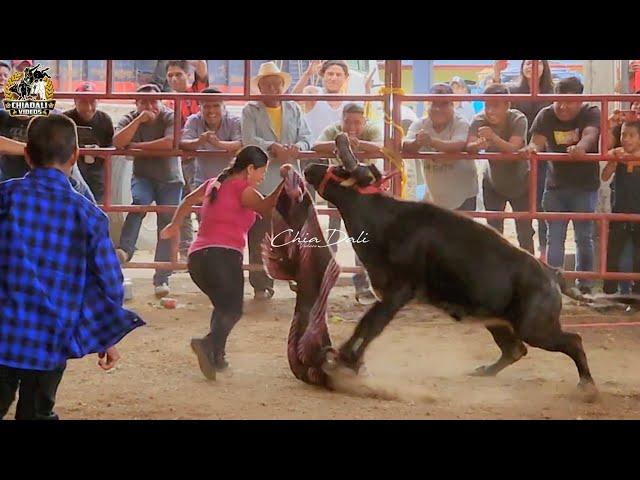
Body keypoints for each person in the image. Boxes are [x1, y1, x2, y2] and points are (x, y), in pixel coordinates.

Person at [0, 114, 144, 420]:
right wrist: (105, 336)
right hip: (50, 339)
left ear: (26, 155)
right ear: (75, 156)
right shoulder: (88, 215)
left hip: (3, 330)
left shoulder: (5, 197)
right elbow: (109, 285)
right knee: (37, 413)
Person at [160, 146, 285, 378]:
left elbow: (188, 199)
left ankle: (217, 356)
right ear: (249, 168)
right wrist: (286, 181)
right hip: (223, 257)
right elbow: (268, 208)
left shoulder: (213, 183)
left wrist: (175, 224)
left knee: (223, 307)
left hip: (197, 260)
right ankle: (208, 345)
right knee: (233, 310)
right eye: (262, 172)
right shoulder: (243, 189)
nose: (262, 177)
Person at [241, 62, 313, 300]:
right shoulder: (250, 110)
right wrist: (272, 146)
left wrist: (297, 147)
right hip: (262, 180)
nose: (272, 88)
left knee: (294, 232)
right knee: (260, 233)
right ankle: (261, 283)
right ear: (260, 87)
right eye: (267, 84)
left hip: (290, 178)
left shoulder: (294, 108)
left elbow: (306, 137)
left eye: (276, 84)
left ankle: (295, 277)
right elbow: (248, 139)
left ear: (282, 86)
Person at [528, 77, 601, 294]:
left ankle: (585, 285)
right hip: (555, 186)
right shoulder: (546, 114)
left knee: (583, 237)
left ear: (580, 100)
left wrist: (581, 147)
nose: (562, 106)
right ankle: (554, 286)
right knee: (554, 237)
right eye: (558, 100)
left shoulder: (591, 111)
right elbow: (536, 141)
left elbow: (591, 133)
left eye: (569, 101)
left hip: (584, 187)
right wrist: (531, 149)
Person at [113, 84, 184, 298]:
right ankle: (125, 251)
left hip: (170, 179)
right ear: (136, 104)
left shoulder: (169, 116)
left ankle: (161, 278)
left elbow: (170, 142)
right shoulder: (130, 118)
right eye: (143, 101)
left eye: (153, 101)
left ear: (161, 101)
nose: (149, 106)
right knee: (138, 204)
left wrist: (137, 147)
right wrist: (138, 121)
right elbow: (118, 143)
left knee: (166, 223)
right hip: (143, 176)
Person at [313, 102, 383, 305]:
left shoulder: (372, 130)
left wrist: (356, 143)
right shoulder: (334, 130)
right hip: (337, 189)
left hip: (362, 190)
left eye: (357, 122)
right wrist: (341, 142)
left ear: (365, 122)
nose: (352, 126)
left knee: (361, 237)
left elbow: (380, 145)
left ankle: (362, 284)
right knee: (333, 234)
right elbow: (316, 145)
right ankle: (323, 281)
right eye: (348, 121)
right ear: (341, 120)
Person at [494, 60, 554, 258]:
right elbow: (497, 107)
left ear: (545, 67)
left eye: (537, 63)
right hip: (517, 156)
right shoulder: (513, 90)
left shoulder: (552, 93)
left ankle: (543, 253)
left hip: (544, 156)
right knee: (521, 208)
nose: (531, 66)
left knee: (542, 206)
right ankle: (514, 256)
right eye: (528, 62)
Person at [467, 83, 533, 254]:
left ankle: (530, 275)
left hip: (521, 183)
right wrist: (477, 145)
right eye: (487, 105)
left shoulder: (518, 119)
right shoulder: (479, 120)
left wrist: (493, 137)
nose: (490, 110)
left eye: (495, 105)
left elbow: (514, 148)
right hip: (493, 183)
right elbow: (470, 145)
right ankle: (495, 274)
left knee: (525, 232)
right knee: (494, 232)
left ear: (507, 105)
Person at [404, 83, 478, 211]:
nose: (438, 109)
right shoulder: (420, 124)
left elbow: (458, 145)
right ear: (428, 104)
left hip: (463, 195)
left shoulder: (461, 123)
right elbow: (404, 146)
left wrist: (431, 141)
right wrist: (417, 143)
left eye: (443, 104)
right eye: (434, 104)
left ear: (452, 105)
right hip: (435, 197)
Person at [601, 121, 640, 294]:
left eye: (631, 135)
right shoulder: (617, 155)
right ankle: (609, 292)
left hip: (638, 213)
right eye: (624, 135)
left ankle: (637, 292)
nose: (626, 139)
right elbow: (604, 177)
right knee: (613, 254)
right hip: (619, 212)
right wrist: (613, 161)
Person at [63, 81, 114, 203]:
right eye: (83, 102)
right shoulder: (65, 119)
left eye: (92, 102)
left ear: (98, 102)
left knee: (97, 206)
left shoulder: (105, 120)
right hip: (70, 171)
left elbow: (112, 150)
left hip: (96, 173)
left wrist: (98, 152)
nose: (88, 107)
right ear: (75, 102)